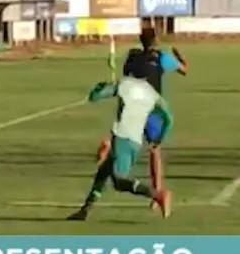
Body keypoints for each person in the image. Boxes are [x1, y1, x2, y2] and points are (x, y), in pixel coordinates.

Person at [68, 77, 173, 220]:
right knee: (104, 172)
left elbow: (95, 97)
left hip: (122, 137)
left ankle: (158, 195)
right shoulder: (152, 94)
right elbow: (168, 119)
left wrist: (99, 87)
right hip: (136, 141)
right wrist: (158, 139)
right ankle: (85, 210)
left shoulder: (124, 84)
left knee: (119, 181)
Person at [96, 27, 186, 164]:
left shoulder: (132, 56)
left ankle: (107, 145)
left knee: (122, 136)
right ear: (155, 40)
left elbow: (127, 74)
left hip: (130, 101)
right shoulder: (161, 57)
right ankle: (157, 180)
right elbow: (184, 70)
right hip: (150, 104)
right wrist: (179, 56)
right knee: (154, 146)